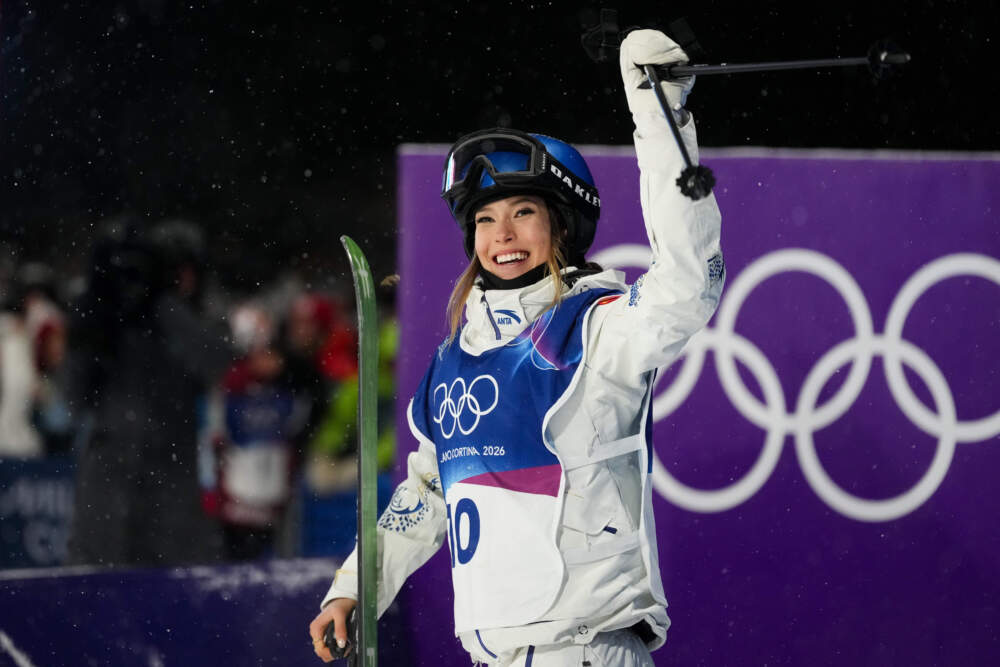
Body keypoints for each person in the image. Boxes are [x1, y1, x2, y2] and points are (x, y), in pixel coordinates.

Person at [309, 30, 725, 666]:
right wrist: (358, 586)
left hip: (584, 650)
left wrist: (659, 112)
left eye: (523, 212)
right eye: (483, 219)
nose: (501, 235)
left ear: (562, 223)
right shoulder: (454, 359)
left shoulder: (600, 328)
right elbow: (427, 492)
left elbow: (688, 284)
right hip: (494, 654)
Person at [66, 218, 234, 566]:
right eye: (172, 270)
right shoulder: (109, 324)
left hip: (172, 493)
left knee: (170, 596)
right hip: (108, 491)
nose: (181, 279)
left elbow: (220, 363)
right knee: (98, 593)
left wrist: (161, 304)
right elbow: (72, 398)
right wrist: (97, 311)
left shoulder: (189, 321)